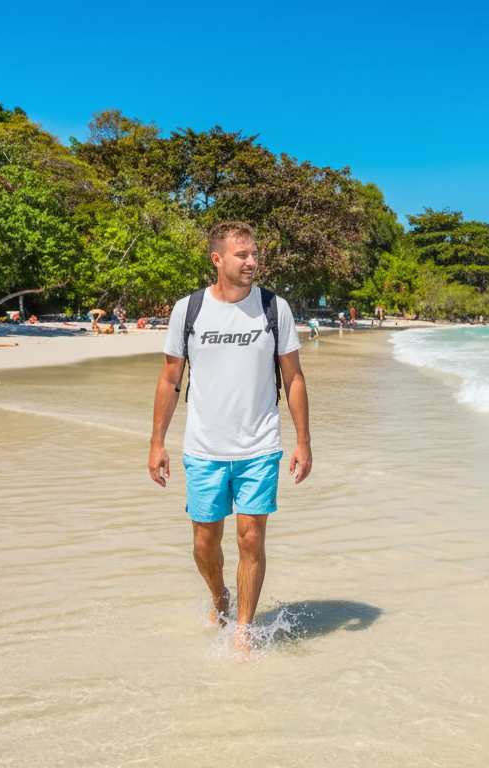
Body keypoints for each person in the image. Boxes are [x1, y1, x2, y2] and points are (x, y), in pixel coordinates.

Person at [148, 221, 311, 653]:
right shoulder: (189, 310)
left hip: (260, 444)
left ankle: (242, 632)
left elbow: (293, 377)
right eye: (242, 255)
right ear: (217, 259)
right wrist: (156, 443)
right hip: (204, 446)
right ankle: (220, 598)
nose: (252, 262)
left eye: (255, 254)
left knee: (252, 537)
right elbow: (169, 379)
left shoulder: (275, 308)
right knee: (205, 543)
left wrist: (303, 441)